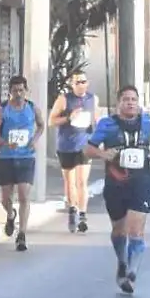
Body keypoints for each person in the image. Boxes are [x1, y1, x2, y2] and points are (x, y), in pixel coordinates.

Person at [83, 85, 150, 295]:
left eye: (134, 99)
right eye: (126, 99)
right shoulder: (107, 124)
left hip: (141, 181)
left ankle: (132, 272)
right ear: (119, 103)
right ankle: (122, 261)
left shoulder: (146, 122)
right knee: (119, 230)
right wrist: (103, 154)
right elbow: (89, 149)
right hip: (115, 183)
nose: (130, 103)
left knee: (136, 230)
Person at [0, 75, 45, 252]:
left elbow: (41, 126)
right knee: (5, 198)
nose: (18, 94)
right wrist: (6, 143)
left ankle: (22, 234)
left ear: (26, 90)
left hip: (26, 156)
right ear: (10, 92)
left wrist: (34, 140)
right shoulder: (2, 110)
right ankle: (10, 214)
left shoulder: (32, 108)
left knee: (24, 195)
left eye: (21, 90)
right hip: (6, 157)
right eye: (15, 91)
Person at [49, 71, 100, 233]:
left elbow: (96, 120)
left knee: (82, 181)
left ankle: (83, 215)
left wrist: (97, 138)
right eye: (77, 82)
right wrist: (69, 118)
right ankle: (72, 209)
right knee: (69, 181)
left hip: (84, 145)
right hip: (66, 145)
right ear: (72, 84)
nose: (81, 85)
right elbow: (52, 121)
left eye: (83, 81)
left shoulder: (93, 99)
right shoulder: (64, 99)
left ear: (88, 83)